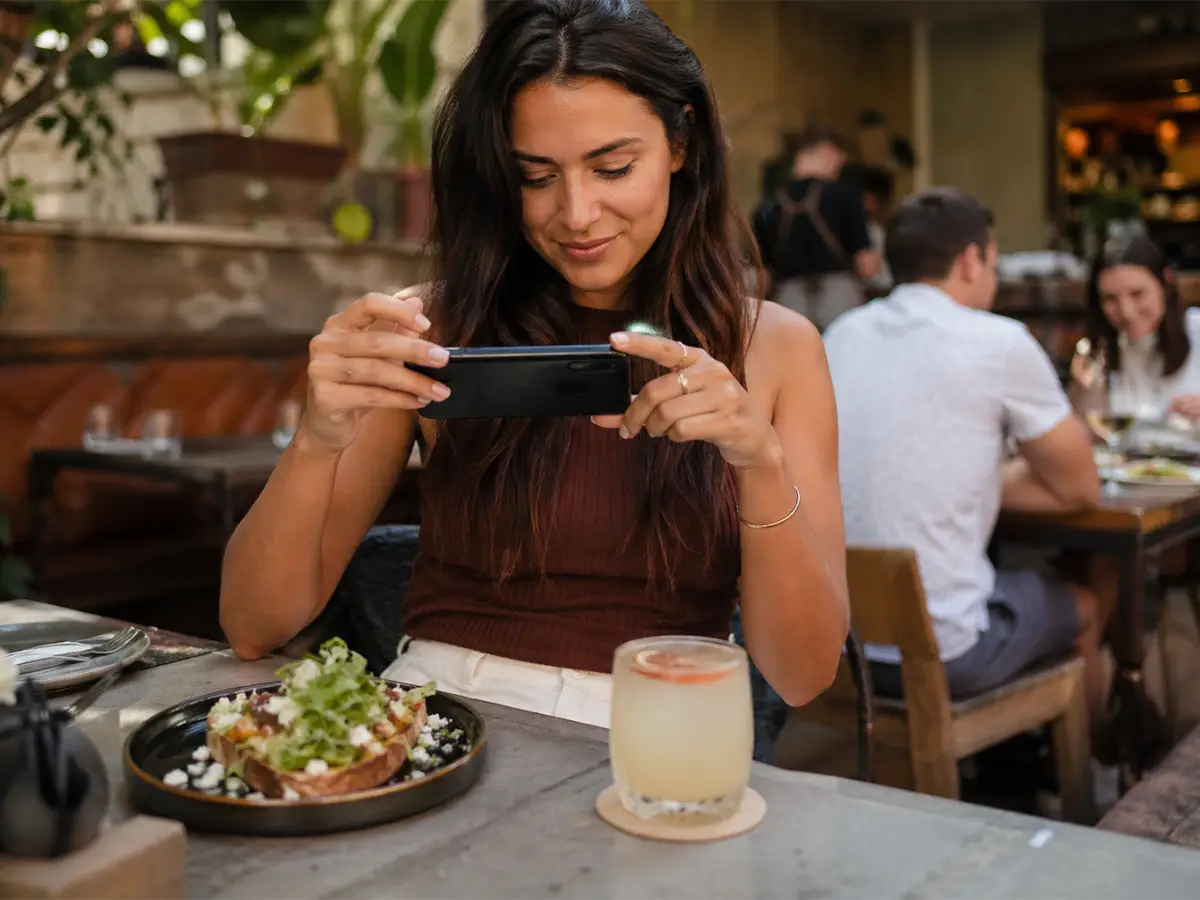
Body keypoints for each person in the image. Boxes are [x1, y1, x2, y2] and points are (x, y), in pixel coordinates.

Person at [219, 0, 849, 729]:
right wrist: (316, 441)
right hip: (441, 715)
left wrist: (758, 461)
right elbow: (251, 626)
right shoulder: (429, 328)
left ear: (682, 143)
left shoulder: (777, 346)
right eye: (537, 176)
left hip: (663, 727)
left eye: (613, 167)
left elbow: (803, 676)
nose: (577, 213)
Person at [823, 187, 1113, 720]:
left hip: (838, 645)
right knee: (1088, 603)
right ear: (970, 260)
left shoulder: (841, 334)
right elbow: (1080, 487)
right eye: (994, 262)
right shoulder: (997, 341)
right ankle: (1086, 783)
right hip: (944, 653)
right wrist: (994, 473)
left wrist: (973, 474)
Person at [751, 127, 881, 330]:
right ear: (827, 151)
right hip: (839, 295)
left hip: (789, 299)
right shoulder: (845, 195)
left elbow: (762, 276)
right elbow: (866, 263)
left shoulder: (769, 204)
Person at [1070, 235, 1200, 421]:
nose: (1127, 312)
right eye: (1110, 298)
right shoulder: (1097, 351)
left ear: (1166, 283)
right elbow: (1082, 435)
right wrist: (1085, 392)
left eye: (1137, 294)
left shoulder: (1197, 328)